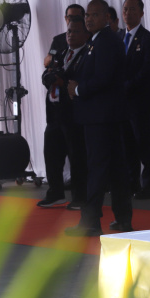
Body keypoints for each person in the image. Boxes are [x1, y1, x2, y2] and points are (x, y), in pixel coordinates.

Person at [65, 0, 132, 236]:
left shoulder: (106, 41)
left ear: (106, 17)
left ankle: (90, 222)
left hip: (101, 117)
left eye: (94, 15)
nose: (89, 19)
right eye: (87, 15)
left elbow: (102, 78)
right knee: (115, 169)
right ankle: (123, 219)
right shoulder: (97, 41)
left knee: (97, 169)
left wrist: (78, 89)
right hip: (103, 116)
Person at [41, 19, 91, 211]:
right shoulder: (62, 53)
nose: (70, 35)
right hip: (54, 113)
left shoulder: (87, 54)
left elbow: (77, 79)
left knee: (77, 156)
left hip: (73, 114)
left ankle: (80, 197)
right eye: (68, 32)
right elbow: (48, 73)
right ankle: (55, 193)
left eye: (75, 32)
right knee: (52, 155)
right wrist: (49, 77)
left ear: (86, 36)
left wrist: (61, 80)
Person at [120, 0, 150, 199]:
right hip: (121, 102)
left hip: (140, 100)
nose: (128, 13)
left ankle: (149, 185)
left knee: (143, 141)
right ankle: (131, 183)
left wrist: (126, 86)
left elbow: (147, 69)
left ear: (142, 13)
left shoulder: (148, 38)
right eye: (125, 9)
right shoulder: (118, 37)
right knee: (127, 144)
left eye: (133, 9)